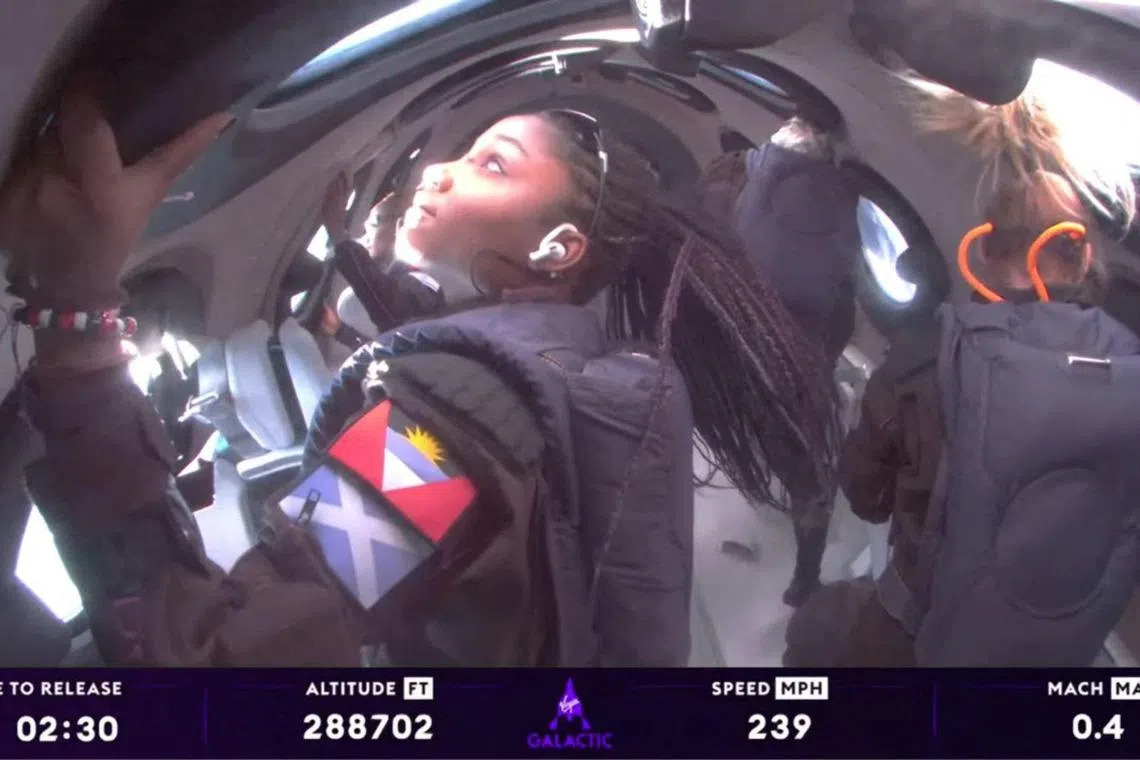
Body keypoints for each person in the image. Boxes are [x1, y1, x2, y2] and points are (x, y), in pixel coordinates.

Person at [0, 89, 840, 666]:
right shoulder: (573, 353)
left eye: (492, 164)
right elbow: (429, 332)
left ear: (556, 250)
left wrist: (78, 324)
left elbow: (207, 663)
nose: (438, 169)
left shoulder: (435, 431)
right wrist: (350, 245)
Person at [785, 86, 1140, 666]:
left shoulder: (926, 360)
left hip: (920, 636)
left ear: (985, 248)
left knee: (812, 633)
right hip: (1062, 650)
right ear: (1083, 257)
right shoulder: (1129, 368)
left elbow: (867, 497)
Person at [696, 117, 860, 607]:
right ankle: (806, 575)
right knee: (806, 469)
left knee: (766, 430)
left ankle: (764, 472)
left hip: (745, 336)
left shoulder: (738, 177)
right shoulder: (833, 197)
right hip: (801, 353)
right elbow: (839, 295)